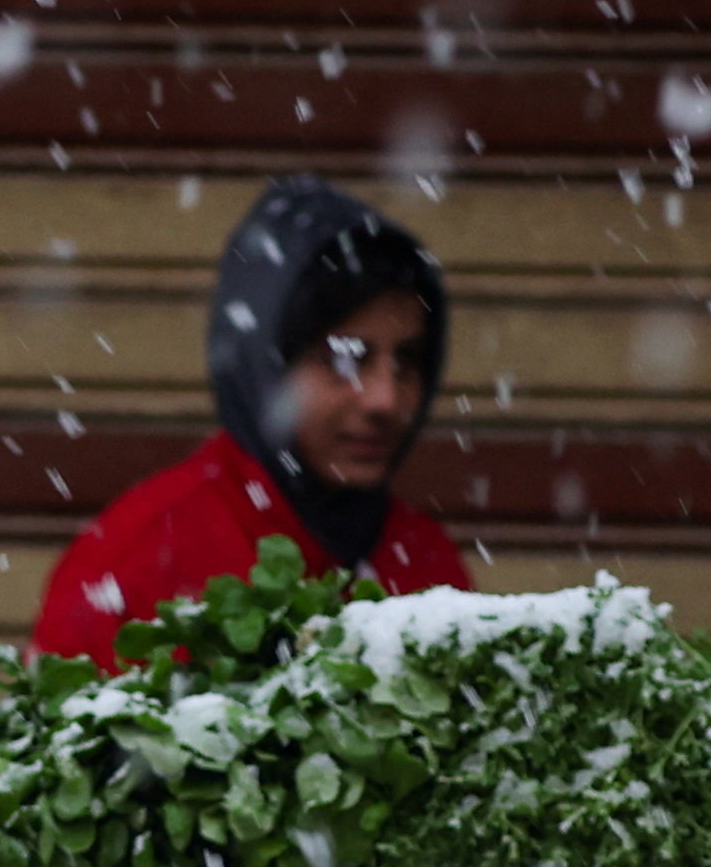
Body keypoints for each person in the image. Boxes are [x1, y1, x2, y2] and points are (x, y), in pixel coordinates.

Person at [31, 174, 473, 664]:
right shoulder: (139, 561)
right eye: (347, 357)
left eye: (407, 361)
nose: (385, 400)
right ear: (266, 366)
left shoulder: (426, 564)